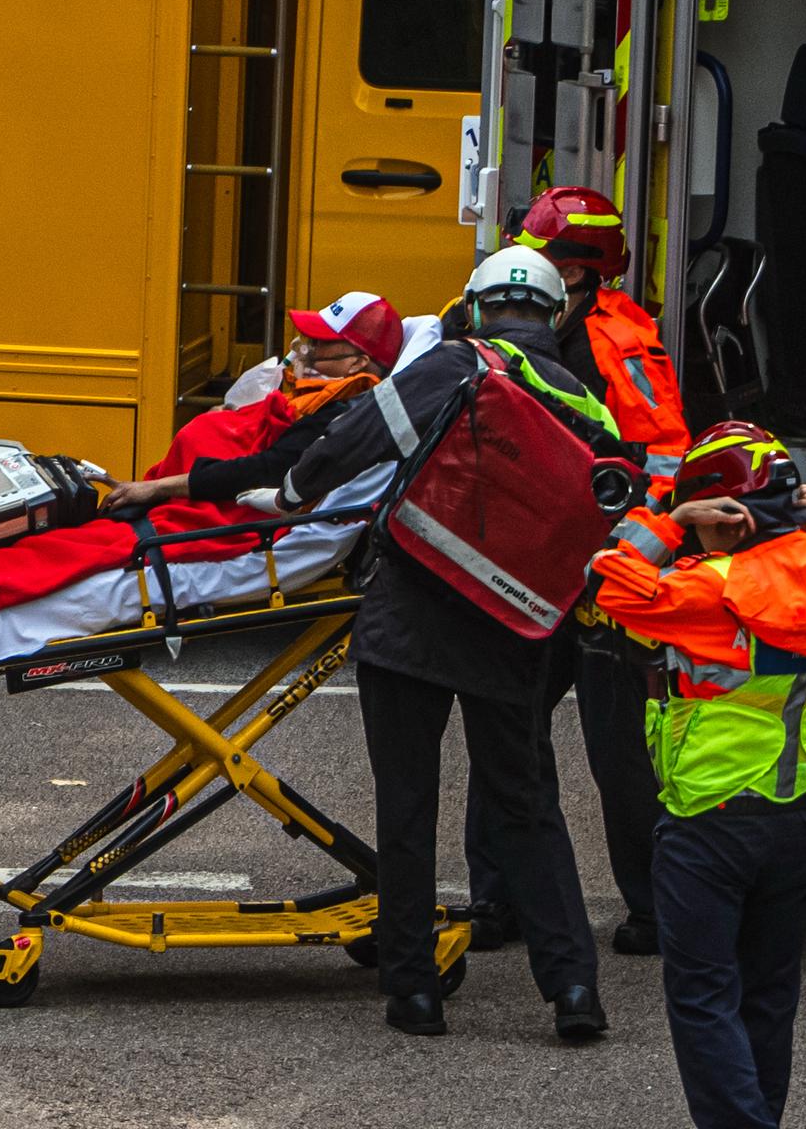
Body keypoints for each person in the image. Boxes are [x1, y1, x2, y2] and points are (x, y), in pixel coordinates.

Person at [250, 247, 617, 1041]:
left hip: (412, 611)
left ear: (476, 305)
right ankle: (573, 989)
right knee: (525, 807)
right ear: (556, 315)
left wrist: (289, 492)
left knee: (407, 808)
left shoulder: (457, 362)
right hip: (513, 628)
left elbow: (362, 438)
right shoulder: (592, 406)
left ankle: (414, 990)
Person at [586, 422, 806, 1128]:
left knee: (702, 997)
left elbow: (607, 581)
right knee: (769, 998)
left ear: (729, 516)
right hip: (801, 818)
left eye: (706, 519)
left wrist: (664, 518)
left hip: (710, 824)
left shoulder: (706, 590)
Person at [467, 187, 689, 956]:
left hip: (602, 581)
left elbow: (664, 465)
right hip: (537, 567)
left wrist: (620, 562)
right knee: (507, 731)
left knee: (618, 750)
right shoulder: (514, 322)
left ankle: (656, 909)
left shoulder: (619, 345)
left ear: (579, 274)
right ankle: (498, 899)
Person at [104, 290, 406, 514]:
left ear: (356, 364)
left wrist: (156, 487)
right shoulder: (321, 400)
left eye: (319, 342)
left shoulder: (340, 415)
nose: (304, 347)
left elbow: (264, 469)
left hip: (218, 513)